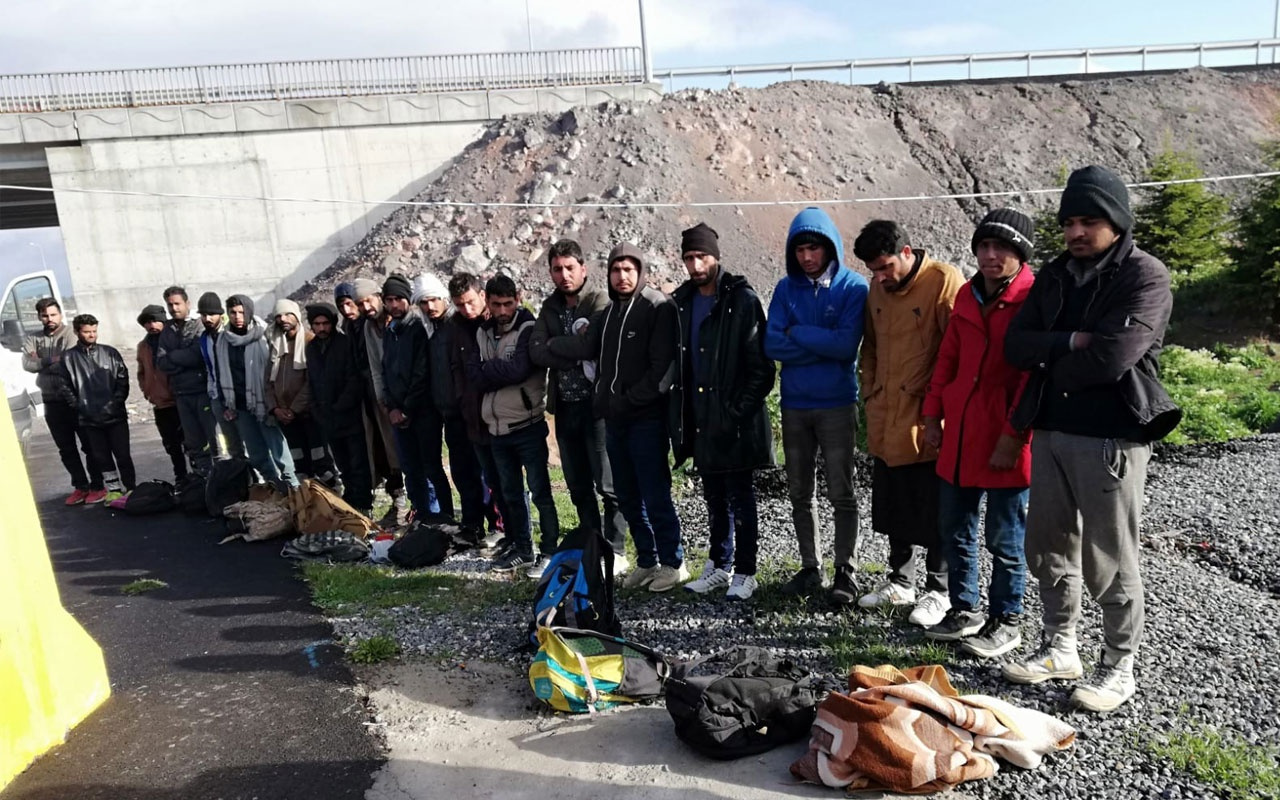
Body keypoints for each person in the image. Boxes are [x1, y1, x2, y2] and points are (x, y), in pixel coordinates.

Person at [1001, 165, 1181, 713]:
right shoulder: (1055, 275)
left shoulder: (1144, 277)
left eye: (1090, 221)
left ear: (1117, 221)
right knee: (1048, 544)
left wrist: (1053, 354)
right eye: (1070, 222)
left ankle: (1119, 664)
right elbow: (1015, 346)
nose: (1077, 232)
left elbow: (1113, 358)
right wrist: (1073, 340)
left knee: (1111, 551)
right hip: (1052, 429)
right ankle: (1060, 645)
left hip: (1111, 434)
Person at [921, 209, 1036, 658]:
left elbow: (1033, 376)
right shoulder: (968, 296)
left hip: (1005, 436)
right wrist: (932, 416)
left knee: (1005, 538)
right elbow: (946, 360)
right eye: (984, 247)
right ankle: (965, 608)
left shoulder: (1034, 300)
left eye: (1001, 248)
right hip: (961, 434)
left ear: (1020, 253)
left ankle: (1007, 619)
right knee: (956, 528)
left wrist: (1016, 435)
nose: (990, 256)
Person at [549, 243, 685, 593]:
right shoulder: (608, 314)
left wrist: (628, 400)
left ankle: (673, 562)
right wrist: (605, 401)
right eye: (615, 270)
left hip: (647, 418)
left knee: (654, 491)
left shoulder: (657, 306)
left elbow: (663, 369)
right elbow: (589, 351)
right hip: (615, 419)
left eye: (628, 269)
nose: (622, 277)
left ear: (639, 271)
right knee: (626, 494)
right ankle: (647, 560)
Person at [854, 219, 963, 628]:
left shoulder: (943, 280)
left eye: (885, 267)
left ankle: (939, 590)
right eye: (874, 271)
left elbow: (956, 350)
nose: (881, 277)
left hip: (927, 416)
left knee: (933, 504)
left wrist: (938, 403)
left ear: (906, 251)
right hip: (885, 412)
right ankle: (900, 580)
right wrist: (869, 390)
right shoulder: (877, 289)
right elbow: (870, 346)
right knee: (893, 501)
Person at [763, 207, 868, 605]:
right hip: (794, 405)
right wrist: (820, 343)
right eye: (801, 249)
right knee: (799, 492)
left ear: (830, 248)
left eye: (815, 248)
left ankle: (846, 570)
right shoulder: (784, 289)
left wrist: (799, 333)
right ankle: (811, 567)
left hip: (838, 404)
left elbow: (846, 346)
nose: (808, 257)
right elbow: (772, 344)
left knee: (843, 491)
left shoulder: (853, 288)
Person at [670, 223, 776, 601]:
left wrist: (734, 412)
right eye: (689, 258)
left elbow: (762, 370)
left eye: (701, 257)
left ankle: (746, 571)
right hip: (699, 416)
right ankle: (719, 564)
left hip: (733, 421)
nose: (695, 265)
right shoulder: (680, 302)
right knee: (713, 496)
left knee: (741, 497)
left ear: (716, 256)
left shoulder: (742, 300)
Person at [528, 239, 628, 569]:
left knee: (608, 484)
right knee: (577, 484)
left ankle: (616, 549)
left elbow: (591, 347)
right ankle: (592, 545)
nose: (564, 275)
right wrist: (568, 345)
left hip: (596, 408)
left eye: (570, 268)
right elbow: (536, 351)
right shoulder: (549, 307)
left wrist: (558, 344)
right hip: (565, 408)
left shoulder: (599, 299)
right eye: (557, 269)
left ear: (583, 269)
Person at [464, 274, 558, 574]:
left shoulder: (529, 329)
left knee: (540, 491)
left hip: (526, 425)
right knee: (510, 493)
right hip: (496, 428)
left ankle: (549, 550)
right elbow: (473, 376)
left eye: (508, 304)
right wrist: (492, 372)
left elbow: (519, 370)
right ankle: (523, 549)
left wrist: (488, 368)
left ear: (517, 299)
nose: (503, 311)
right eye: (496, 304)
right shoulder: (482, 332)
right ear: (488, 303)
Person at [413, 272, 487, 539]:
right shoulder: (433, 331)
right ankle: (472, 525)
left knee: (483, 475)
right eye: (424, 302)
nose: (430, 306)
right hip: (450, 415)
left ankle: (499, 529)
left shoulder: (458, 327)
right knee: (463, 474)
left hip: (472, 412)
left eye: (434, 300)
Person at [214, 294, 299, 490]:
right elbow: (221, 372)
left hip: (264, 403)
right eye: (233, 312)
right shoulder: (223, 340)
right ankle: (273, 488)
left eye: (241, 312)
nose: (237, 317)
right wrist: (227, 402)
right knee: (256, 453)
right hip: (241, 405)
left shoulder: (264, 335)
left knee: (278, 450)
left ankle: (293, 487)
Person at [449, 272, 509, 547]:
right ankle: (478, 526)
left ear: (482, 295)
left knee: (499, 475)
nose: (467, 309)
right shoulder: (456, 327)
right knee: (475, 473)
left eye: (471, 302)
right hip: (469, 411)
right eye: (460, 304)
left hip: (497, 409)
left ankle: (503, 528)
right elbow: (457, 369)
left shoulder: (496, 321)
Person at [378, 274, 445, 521]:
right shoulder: (390, 331)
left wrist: (405, 408)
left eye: (399, 299)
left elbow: (421, 373)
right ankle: (421, 516)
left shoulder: (418, 328)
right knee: (410, 470)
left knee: (431, 468)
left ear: (407, 299)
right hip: (398, 414)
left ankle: (440, 519)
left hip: (422, 412)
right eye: (389, 300)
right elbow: (385, 371)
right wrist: (392, 407)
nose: (394, 305)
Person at [22, 297, 101, 503]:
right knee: (65, 448)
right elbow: (27, 364)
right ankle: (80, 486)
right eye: (45, 315)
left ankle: (97, 485)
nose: (49, 319)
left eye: (53, 314)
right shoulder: (34, 338)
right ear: (39, 316)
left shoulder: (69, 335)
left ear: (61, 314)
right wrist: (49, 359)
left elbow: (67, 362)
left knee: (89, 444)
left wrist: (40, 360)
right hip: (50, 400)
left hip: (74, 399)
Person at [57, 314, 134, 503]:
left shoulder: (110, 352)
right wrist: (79, 407)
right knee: (102, 457)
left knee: (123, 455)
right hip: (89, 418)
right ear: (76, 332)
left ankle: (131, 488)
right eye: (87, 331)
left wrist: (116, 403)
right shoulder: (68, 358)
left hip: (115, 416)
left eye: (94, 331)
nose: (92, 335)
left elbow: (122, 379)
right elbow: (64, 386)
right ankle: (114, 489)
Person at [305, 302, 373, 514]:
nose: (322, 328)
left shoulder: (344, 343)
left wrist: (341, 405)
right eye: (317, 324)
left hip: (348, 415)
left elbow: (353, 379)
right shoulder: (312, 348)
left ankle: (363, 504)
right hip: (327, 418)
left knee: (358, 463)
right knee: (342, 465)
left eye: (325, 323)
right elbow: (313, 381)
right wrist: (317, 410)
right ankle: (350, 503)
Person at [353, 279, 411, 524]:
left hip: (409, 399)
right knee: (389, 453)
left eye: (369, 300)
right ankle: (399, 506)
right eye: (360, 303)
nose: (366, 307)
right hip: (386, 400)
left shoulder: (399, 322)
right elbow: (376, 367)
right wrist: (382, 399)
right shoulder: (368, 327)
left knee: (413, 458)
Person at [267, 299, 336, 483]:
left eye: (287, 314)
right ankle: (309, 506)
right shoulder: (275, 345)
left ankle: (330, 504)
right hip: (287, 419)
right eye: (279, 316)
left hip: (309, 415)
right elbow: (268, 382)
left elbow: (312, 381)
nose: (283, 319)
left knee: (321, 463)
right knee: (300, 465)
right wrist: (276, 409)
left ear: (296, 316)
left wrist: (294, 409)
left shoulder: (309, 342)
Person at [156, 286, 219, 476]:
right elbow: (162, 362)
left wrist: (174, 356)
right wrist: (180, 359)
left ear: (187, 304)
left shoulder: (199, 325)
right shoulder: (167, 331)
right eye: (170, 304)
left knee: (216, 440)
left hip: (202, 391)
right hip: (181, 395)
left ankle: (222, 480)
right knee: (194, 443)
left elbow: (197, 356)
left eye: (177, 303)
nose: (174, 308)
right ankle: (203, 480)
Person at [136, 304, 188, 483]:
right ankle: (181, 477)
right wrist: (147, 391)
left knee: (191, 443)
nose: (152, 325)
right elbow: (141, 372)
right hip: (160, 404)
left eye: (156, 321)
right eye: (148, 322)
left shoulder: (173, 340)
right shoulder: (143, 346)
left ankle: (200, 477)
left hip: (180, 401)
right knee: (171, 446)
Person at [195, 291, 246, 460]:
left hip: (236, 397)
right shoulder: (205, 338)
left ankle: (262, 482)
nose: (207, 318)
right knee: (232, 446)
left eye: (211, 314)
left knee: (249, 442)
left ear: (220, 314)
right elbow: (210, 368)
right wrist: (213, 394)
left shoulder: (230, 334)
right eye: (203, 315)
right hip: (218, 398)